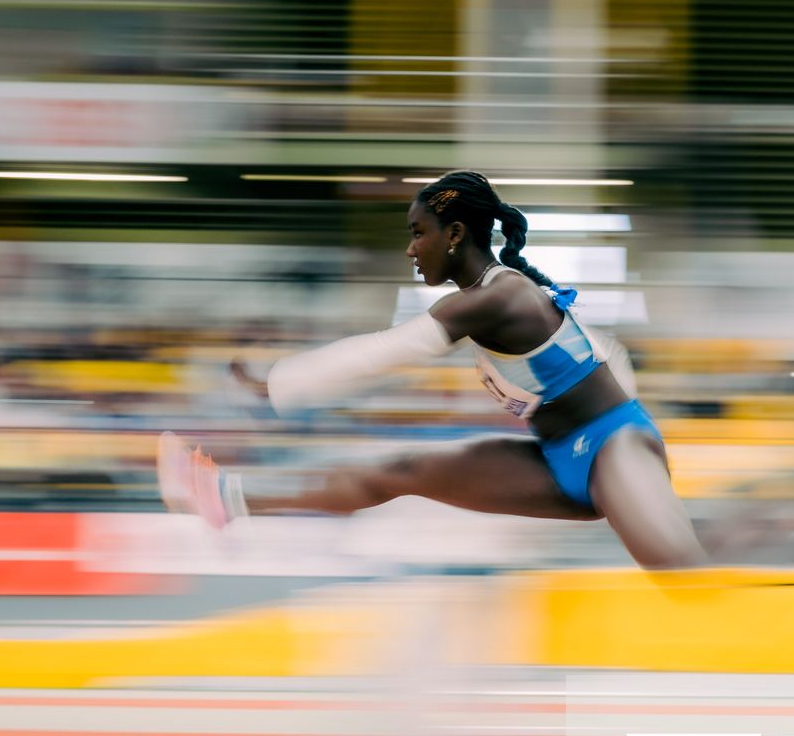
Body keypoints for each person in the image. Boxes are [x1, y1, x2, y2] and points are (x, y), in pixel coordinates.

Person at [157, 171, 705, 569]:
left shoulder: (497, 297)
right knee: (396, 471)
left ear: (455, 234)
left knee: (687, 578)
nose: (410, 248)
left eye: (418, 232)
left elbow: (386, 351)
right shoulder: (494, 298)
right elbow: (605, 350)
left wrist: (271, 384)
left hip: (615, 450)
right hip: (557, 461)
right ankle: (232, 497)